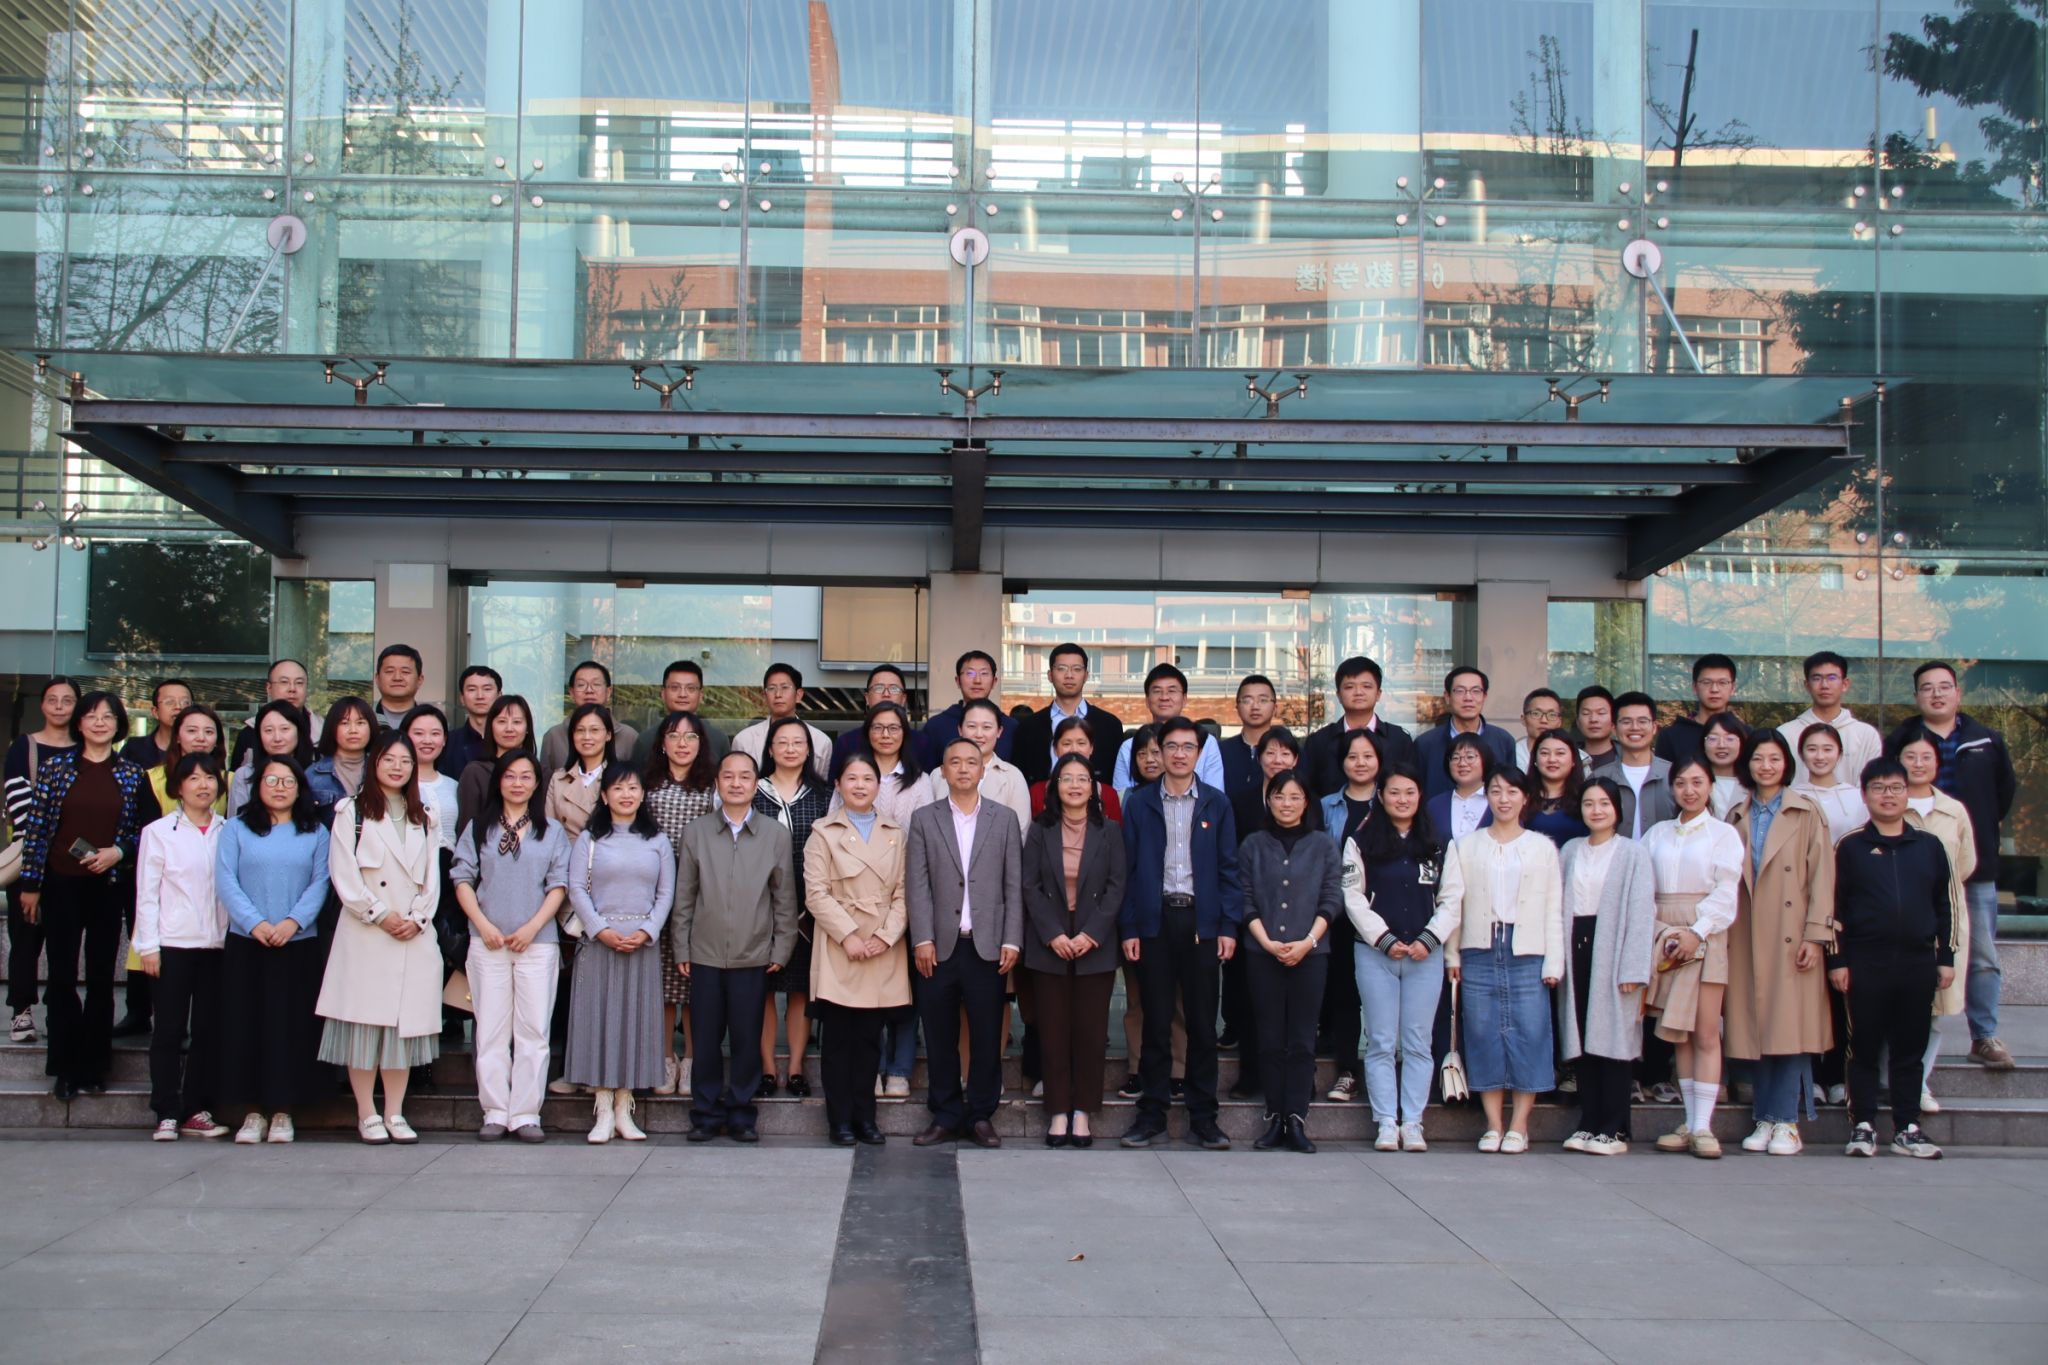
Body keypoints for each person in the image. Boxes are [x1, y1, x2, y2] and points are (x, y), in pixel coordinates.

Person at [10, 690, 155, 1099]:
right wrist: (31, 885)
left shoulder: (132, 774)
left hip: (108, 887)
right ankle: (64, 1066)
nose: (99, 722)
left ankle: (94, 1066)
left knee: (101, 978)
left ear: (119, 723)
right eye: (91, 715)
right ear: (79, 723)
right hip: (60, 885)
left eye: (108, 716)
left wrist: (118, 851)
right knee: (60, 976)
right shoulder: (55, 769)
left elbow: (149, 831)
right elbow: (37, 830)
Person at [1118, 716, 1240, 1151]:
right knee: (1156, 1021)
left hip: (1201, 923)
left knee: (1202, 1024)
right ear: (1160, 751)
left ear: (1199, 754)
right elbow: (1128, 869)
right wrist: (1130, 926)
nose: (1179, 754)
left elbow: (1229, 869)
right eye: (1171, 746)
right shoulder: (1139, 803)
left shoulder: (1216, 804)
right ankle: (1151, 1114)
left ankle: (1203, 1117)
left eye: (1188, 747)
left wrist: (1227, 925)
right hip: (1155, 921)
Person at [1888, 661, 2015, 1071]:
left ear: (1958, 693)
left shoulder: (1986, 740)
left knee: (1982, 955)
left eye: (1945, 686)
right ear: (1916, 697)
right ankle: (1904, 1041)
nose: (1937, 694)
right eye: (1927, 688)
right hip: (1907, 869)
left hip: (1973, 868)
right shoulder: (1900, 740)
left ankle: (1984, 1034)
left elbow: (2003, 795)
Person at [317, 730, 442, 1145]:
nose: (397, 767)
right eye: (389, 759)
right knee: (365, 1030)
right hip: (367, 933)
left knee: (402, 1032)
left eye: (405, 761)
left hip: (412, 934)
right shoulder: (351, 812)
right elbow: (344, 874)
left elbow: (432, 877)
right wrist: (380, 914)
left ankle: (394, 1111)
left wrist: (419, 917)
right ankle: (366, 1112)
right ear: (374, 763)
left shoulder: (426, 815)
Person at [673, 751, 798, 1143]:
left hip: (753, 953)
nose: (736, 783)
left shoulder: (775, 834)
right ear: (717, 783)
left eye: (745, 777)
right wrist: (682, 948)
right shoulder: (696, 832)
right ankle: (706, 1114)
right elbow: (684, 896)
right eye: (728, 776)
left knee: (747, 1039)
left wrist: (781, 948)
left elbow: (784, 899)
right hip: (705, 954)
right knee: (705, 1040)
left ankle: (742, 1113)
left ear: (756, 785)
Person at [907, 738, 1024, 1148]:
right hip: (938, 947)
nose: (962, 768)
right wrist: (922, 937)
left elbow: (1013, 884)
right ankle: (945, 1114)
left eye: (970, 762)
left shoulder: (1004, 819)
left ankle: (980, 1115)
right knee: (939, 1035)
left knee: (987, 1035)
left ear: (982, 770)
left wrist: (1012, 938)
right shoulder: (924, 819)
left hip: (987, 946)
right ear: (942, 771)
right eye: (954, 762)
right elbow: (917, 884)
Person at [1438, 767, 1563, 1154]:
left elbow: (1553, 908)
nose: (1503, 799)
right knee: (1483, 1033)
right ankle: (1493, 1124)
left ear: (1525, 797)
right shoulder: (1465, 845)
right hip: (1478, 947)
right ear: (1487, 797)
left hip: (1527, 949)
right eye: (1496, 791)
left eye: (1512, 791)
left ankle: (1520, 1126)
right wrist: (1452, 954)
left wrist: (1554, 962)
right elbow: (1453, 903)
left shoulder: (1542, 847)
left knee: (1530, 1032)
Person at [1834, 760, 1954, 1160]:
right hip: (1865, 961)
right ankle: (1863, 1125)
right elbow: (1834, 907)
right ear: (1865, 795)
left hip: (1917, 962)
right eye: (1879, 788)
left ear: (1907, 794)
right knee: (1863, 1046)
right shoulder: (1850, 846)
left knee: (1910, 1048)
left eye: (1896, 788)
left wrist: (1946, 955)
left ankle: (1907, 1127)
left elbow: (1946, 904)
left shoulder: (1929, 846)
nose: (1888, 795)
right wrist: (1838, 960)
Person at [1724, 730, 1834, 1157]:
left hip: (1791, 932)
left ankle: (1787, 1120)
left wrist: (1817, 935)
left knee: (1790, 1028)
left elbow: (1822, 877)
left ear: (1786, 763)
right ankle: (1765, 1117)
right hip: (1747, 931)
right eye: (1758, 759)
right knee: (1757, 1028)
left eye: (1773, 759)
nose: (1765, 766)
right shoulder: (1736, 814)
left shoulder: (1806, 811)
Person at [452, 751, 570, 1142]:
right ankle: (494, 1111)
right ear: (498, 782)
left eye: (525, 777)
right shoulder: (477, 828)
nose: (517, 783)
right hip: (487, 942)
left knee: (533, 1030)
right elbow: (462, 878)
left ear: (536, 784)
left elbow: (559, 884)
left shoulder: (551, 831)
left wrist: (533, 927)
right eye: (510, 776)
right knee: (490, 1030)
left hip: (538, 943)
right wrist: (483, 925)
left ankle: (526, 1113)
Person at [215, 755, 330, 1144]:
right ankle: (252, 1112)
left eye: (288, 781)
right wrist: (256, 923)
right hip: (248, 942)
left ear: (300, 788)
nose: (280, 788)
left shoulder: (315, 831)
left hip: (298, 943)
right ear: (257, 786)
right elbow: (226, 880)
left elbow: (321, 882)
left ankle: (283, 1111)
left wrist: (292, 922)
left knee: (290, 1027)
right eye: (271, 780)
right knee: (247, 1025)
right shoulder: (236, 829)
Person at [1344, 763, 1451, 1152]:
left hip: (1426, 954)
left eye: (1409, 792)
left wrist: (1430, 938)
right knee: (1381, 1041)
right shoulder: (1361, 840)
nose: (1402, 799)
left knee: (1419, 1042)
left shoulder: (1438, 841)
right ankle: (1386, 1122)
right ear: (1381, 796)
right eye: (1394, 792)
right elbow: (1352, 895)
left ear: (1420, 795)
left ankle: (1414, 1122)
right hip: (1376, 953)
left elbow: (1451, 897)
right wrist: (1383, 939)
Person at [1639, 755, 1743, 1159]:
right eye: (1681, 782)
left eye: (1697, 782)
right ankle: (1688, 1120)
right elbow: (1643, 884)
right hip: (1664, 933)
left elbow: (1726, 889)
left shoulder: (1723, 834)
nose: (1689, 790)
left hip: (1705, 932)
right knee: (1677, 1030)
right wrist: (1662, 932)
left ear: (1710, 786)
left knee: (1705, 1030)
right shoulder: (1657, 834)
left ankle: (1704, 1125)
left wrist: (1696, 932)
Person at [1022, 754, 1127, 1149]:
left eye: (1083, 778)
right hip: (1049, 939)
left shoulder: (1110, 831)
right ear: (1055, 786)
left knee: (1090, 1031)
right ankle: (1058, 1111)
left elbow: (1117, 885)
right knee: (1052, 1031)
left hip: (1094, 940)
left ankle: (1082, 1110)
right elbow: (1029, 885)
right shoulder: (1040, 829)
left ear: (1093, 788)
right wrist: (1052, 934)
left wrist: (1091, 933)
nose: (1075, 785)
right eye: (1067, 778)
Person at [564, 762, 673, 1144]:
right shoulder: (589, 838)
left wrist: (647, 930)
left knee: (635, 1022)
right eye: (618, 788)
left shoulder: (657, 840)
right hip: (598, 943)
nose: (626, 795)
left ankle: (626, 1107)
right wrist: (601, 929)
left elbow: (665, 893)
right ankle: (603, 1108)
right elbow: (576, 888)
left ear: (642, 795)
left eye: (633, 788)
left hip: (642, 944)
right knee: (598, 1021)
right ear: (605, 795)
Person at [806, 754, 911, 1146]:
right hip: (840, 945)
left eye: (868, 778)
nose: (860, 785)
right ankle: (840, 1121)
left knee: (870, 1040)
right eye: (852, 778)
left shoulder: (896, 832)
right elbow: (816, 894)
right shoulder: (823, 832)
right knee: (837, 1041)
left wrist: (886, 936)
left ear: (878, 786)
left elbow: (905, 892)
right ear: (838, 784)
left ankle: (866, 1118)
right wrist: (848, 935)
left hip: (882, 945)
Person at [1237, 770, 1339, 1154]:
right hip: (1262, 953)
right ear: (1269, 800)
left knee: (1301, 1038)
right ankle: (1274, 1115)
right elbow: (1244, 895)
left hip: (1311, 954)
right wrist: (1266, 941)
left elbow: (1332, 897)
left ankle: (1296, 1117)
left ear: (1306, 802)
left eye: (1295, 797)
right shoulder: (1253, 844)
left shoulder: (1323, 845)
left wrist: (1307, 942)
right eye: (1279, 796)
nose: (1286, 804)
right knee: (1269, 1038)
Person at [1554, 778, 1657, 1155]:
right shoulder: (1570, 850)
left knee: (1614, 1039)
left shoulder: (1633, 853)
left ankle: (1613, 1129)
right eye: (1589, 803)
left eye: (1604, 803)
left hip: (1614, 950)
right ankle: (1589, 1122)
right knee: (1582, 1037)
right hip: (1576, 944)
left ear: (1617, 809)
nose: (1596, 810)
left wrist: (1634, 969)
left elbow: (1642, 913)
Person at [839, 701, 934, 1099]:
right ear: (868, 731)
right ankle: (872, 1067)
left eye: (894, 727)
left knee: (905, 989)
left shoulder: (920, 781)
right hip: (859, 899)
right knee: (867, 990)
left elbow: (928, 838)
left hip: (907, 893)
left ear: (904, 733)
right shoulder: (853, 773)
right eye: (878, 727)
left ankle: (900, 1068)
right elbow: (834, 835)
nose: (886, 734)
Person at [134, 753, 229, 1141]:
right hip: (172, 944)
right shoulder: (158, 832)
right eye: (193, 778)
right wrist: (148, 946)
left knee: (207, 1031)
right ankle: (166, 1111)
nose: (203, 785)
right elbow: (147, 893)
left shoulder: (230, 830)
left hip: (217, 945)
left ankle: (196, 1108)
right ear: (178, 786)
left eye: (210, 777)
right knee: (169, 1031)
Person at [1894, 731, 1976, 1116]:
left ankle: (1920, 1082)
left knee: (1935, 1008)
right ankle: (1891, 1078)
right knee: (1892, 1005)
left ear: (1937, 763)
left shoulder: (1953, 811)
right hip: (1894, 920)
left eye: (1926, 757)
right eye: (1910, 756)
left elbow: (1965, 865)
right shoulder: (1888, 804)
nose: (1918, 764)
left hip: (1943, 919)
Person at [753, 715, 832, 1098]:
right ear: (770, 749)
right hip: (758, 907)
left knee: (801, 989)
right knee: (762, 990)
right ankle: (768, 1068)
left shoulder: (824, 795)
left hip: (809, 909)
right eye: (782, 742)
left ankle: (797, 1067)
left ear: (809, 750)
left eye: (797, 742)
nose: (789, 749)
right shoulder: (753, 792)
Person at [643, 712, 717, 1098]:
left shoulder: (712, 787)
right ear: (662, 743)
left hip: (698, 892)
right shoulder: (646, 785)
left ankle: (691, 1060)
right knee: (660, 983)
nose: (682, 743)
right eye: (674, 736)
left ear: (701, 743)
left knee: (691, 983)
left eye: (691, 737)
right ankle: (663, 1059)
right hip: (653, 892)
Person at [5, 676, 78, 1042]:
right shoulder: (25, 746)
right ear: (43, 705)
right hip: (31, 859)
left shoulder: (86, 748)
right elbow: (21, 805)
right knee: (25, 937)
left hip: (72, 862)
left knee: (65, 940)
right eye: (53, 699)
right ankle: (21, 1011)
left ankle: (59, 1011)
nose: (60, 706)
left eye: (68, 700)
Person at [1315, 728, 1382, 1104]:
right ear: (1342, 762)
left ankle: (1384, 1070)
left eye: (1368, 756)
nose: (1360, 763)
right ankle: (1347, 1070)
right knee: (1344, 993)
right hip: (1338, 915)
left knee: (1381, 996)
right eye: (1353, 756)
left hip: (1382, 917)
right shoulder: (1326, 806)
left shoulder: (1392, 800)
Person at [1014, 643, 1126, 786]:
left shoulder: (1110, 725)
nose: (1069, 675)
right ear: (1050, 675)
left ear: (1086, 676)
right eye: (1061, 669)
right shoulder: (1028, 727)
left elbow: (1116, 778)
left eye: (1077, 669)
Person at [1303, 656, 1415, 797]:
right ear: (1338, 695)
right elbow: (1308, 793)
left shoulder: (1398, 739)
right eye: (1349, 687)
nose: (1358, 692)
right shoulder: (1319, 741)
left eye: (1366, 686)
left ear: (1378, 694)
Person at [1112, 664, 1224, 794]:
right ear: (1147, 700)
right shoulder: (1128, 747)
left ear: (1184, 699)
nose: (1164, 697)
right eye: (1157, 691)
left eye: (1171, 691)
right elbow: (1121, 798)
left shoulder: (1206, 742)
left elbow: (1215, 796)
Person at [924, 697, 1030, 830]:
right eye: (972, 726)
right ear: (960, 730)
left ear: (999, 731)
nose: (979, 734)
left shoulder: (1013, 777)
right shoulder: (938, 775)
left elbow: (1019, 831)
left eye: (987, 727)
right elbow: (927, 826)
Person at [1780, 650, 1882, 788]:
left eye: (1832, 678)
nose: (1824, 685)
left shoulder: (1866, 735)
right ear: (1807, 685)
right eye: (1817, 678)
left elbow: (1872, 786)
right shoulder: (1786, 734)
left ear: (1845, 684)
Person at [1414, 667, 1516, 801]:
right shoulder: (1425, 744)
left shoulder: (1503, 740)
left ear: (1484, 697)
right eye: (1460, 691)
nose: (1468, 698)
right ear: (1447, 697)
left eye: (1476, 691)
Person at [729, 663, 831, 784]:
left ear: (798, 695)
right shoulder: (744, 740)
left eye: (785, 687)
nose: (778, 695)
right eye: (772, 688)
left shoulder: (820, 741)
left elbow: (821, 787)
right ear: (765, 696)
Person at [537, 662, 641, 774]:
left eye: (596, 684)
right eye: (581, 685)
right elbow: (545, 781)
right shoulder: (554, 736)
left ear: (608, 692)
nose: (589, 690)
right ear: (571, 692)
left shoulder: (629, 736)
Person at [456, 694, 537, 835]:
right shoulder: (476, 772)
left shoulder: (541, 773)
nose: (509, 728)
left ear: (527, 728)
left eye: (517, 722)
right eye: (501, 721)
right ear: (491, 727)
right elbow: (467, 829)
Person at [923, 649, 1018, 765]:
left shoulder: (1011, 727)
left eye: (984, 674)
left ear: (994, 681)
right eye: (970, 673)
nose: (977, 680)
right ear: (958, 681)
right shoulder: (936, 726)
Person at [630, 659, 731, 768]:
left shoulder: (718, 739)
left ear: (701, 695)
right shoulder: (646, 740)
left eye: (691, 688)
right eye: (675, 687)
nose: (682, 694)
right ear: (663, 693)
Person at [229, 659, 324, 769]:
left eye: (299, 683)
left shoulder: (324, 731)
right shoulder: (250, 733)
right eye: (284, 682)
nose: (292, 689)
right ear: (269, 688)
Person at [831, 665, 922, 779]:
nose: (886, 694)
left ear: (903, 699)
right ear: (867, 698)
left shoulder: (922, 743)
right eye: (879, 688)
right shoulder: (845, 743)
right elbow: (834, 785)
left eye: (894, 689)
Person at [227, 700, 315, 818]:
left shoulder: (316, 774)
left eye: (285, 729)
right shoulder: (244, 775)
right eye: (268, 730)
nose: (277, 738)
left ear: (299, 731)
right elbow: (236, 823)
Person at [1027, 718, 1124, 822]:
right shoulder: (1037, 792)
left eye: (1081, 743)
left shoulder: (1108, 794)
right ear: (1055, 749)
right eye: (1066, 744)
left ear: (1091, 748)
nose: (1074, 749)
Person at [1610, 692, 1676, 840]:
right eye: (1626, 721)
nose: (1635, 727)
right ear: (1614, 728)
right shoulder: (1600, 777)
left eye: (1642, 721)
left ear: (1654, 727)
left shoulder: (1674, 775)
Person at [1654, 653, 1739, 767]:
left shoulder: (1745, 734)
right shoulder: (1670, 736)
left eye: (1722, 683)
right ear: (1694, 687)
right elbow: (1661, 777)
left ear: (1733, 688)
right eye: (1706, 682)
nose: (1714, 689)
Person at [546, 702, 616, 839]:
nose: (587, 737)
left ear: (608, 735)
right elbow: (549, 831)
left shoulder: (619, 778)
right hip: (567, 850)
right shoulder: (558, 778)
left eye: (594, 730)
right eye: (580, 730)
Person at [305, 696, 377, 826]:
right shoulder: (312, 775)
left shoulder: (381, 771)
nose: (353, 730)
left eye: (360, 723)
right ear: (332, 728)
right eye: (344, 723)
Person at [1793, 723, 1868, 842]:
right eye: (1812, 749)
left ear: (1839, 754)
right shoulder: (1792, 797)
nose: (1820, 756)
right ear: (1801, 754)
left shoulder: (1858, 797)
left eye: (1827, 749)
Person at [1525, 730, 1590, 847]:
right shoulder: (1522, 796)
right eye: (1544, 753)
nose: (1552, 759)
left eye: (1560, 753)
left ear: (1573, 760)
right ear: (1535, 759)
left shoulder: (1585, 797)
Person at [1426, 731, 1495, 841]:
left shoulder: (1498, 801)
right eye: (1456, 757)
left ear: (1485, 759)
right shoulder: (1435, 805)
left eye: (1470, 757)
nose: (1462, 763)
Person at [444, 665, 503, 777]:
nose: (480, 696)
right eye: (472, 689)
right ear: (462, 698)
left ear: (499, 696)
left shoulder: (510, 739)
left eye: (487, 689)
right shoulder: (448, 742)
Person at [121, 678, 193, 769]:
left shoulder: (201, 747)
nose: (178, 707)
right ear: (155, 712)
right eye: (170, 702)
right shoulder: (134, 748)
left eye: (185, 702)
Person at [1702, 713, 1750, 820]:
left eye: (1730, 739)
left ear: (1741, 743)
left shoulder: (1753, 785)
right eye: (1713, 738)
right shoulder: (1693, 783)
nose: (1721, 745)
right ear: (1703, 743)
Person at [1514, 689, 1575, 771]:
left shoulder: (1579, 758)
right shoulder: (1510, 756)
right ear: (1523, 719)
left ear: (1560, 721)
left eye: (1551, 715)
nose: (1544, 720)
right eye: (1536, 713)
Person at [372, 643, 425, 731]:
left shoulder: (432, 722)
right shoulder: (363, 719)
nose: (397, 678)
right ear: (377, 679)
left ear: (419, 680)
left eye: (405, 672)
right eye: (389, 671)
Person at [1575, 686, 1619, 771]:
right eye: (1586, 713)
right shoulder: (1567, 758)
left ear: (1613, 719)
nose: (1593, 719)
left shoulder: (1627, 758)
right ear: (1577, 721)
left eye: (1601, 713)